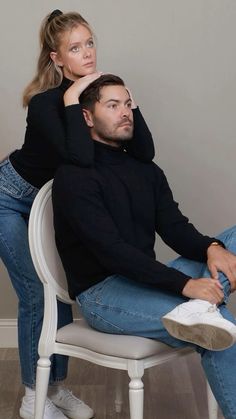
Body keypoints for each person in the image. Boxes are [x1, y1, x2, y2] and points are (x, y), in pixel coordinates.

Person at [0, 9, 155, 419]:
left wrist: (129, 102)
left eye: (89, 43)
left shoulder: (100, 94)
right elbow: (79, 157)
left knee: (59, 289)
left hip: (48, 201)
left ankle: (56, 386)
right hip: (9, 199)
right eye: (74, 47)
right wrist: (71, 100)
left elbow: (144, 152)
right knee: (36, 292)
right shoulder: (45, 104)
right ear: (56, 58)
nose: (86, 53)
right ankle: (34, 396)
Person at [52, 74, 236, 419]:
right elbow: (114, 252)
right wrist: (185, 285)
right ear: (87, 117)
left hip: (147, 281)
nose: (125, 112)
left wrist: (212, 247)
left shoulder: (146, 170)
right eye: (112, 105)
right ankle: (200, 308)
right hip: (105, 294)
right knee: (219, 328)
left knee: (234, 238)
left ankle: (198, 308)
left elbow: (175, 229)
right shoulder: (74, 176)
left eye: (128, 104)